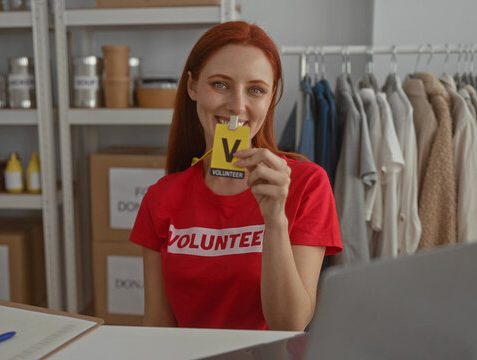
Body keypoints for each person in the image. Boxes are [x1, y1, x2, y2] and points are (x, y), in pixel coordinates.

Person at [129, 21, 342, 331]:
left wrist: (275, 221)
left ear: (271, 98)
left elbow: (289, 323)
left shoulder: (307, 184)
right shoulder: (161, 197)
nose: (237, 105)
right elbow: (158, 327)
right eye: (220, 84)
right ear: (192, 87)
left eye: (255, 90)